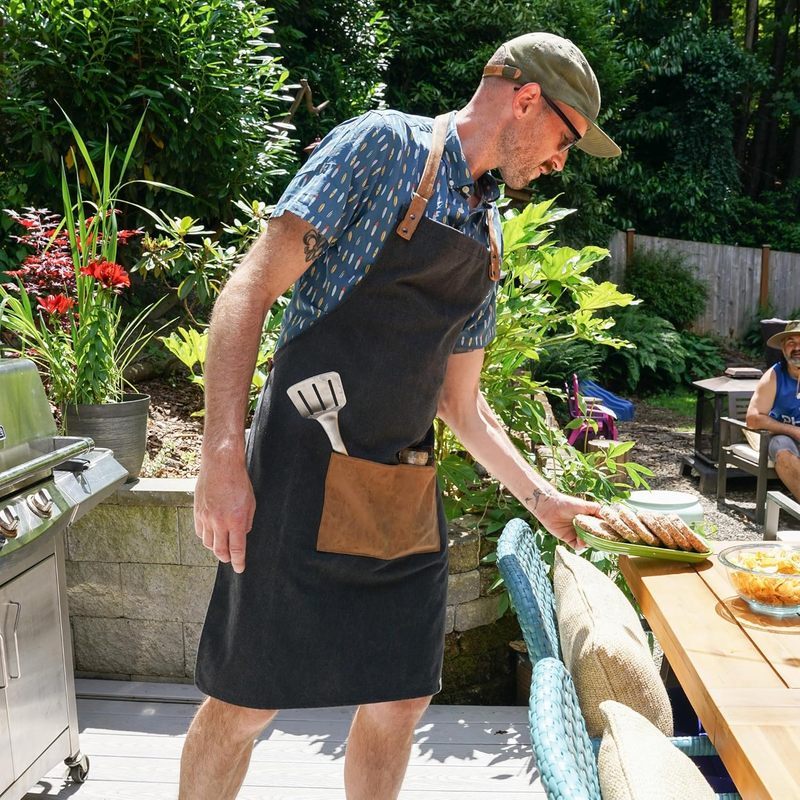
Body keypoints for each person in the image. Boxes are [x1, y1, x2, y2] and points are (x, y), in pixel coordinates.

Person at [179, 32, 621, 800]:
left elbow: (462, 403)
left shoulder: (488, 232)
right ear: (525, 99)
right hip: (299, 475)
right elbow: (247, 291)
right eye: (566, 138)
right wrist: (222, 453)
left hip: (401, 488)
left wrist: (542, 498)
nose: (559, 161)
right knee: (247, 700)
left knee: (401, 696)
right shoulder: (382, 149)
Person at [747, 320, 800, 498]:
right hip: (783, 438)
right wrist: (793, 431)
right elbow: (753, 418)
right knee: (781, 447)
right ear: (783, 348)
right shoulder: (774, 376)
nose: (797, 347)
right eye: (791, 342)